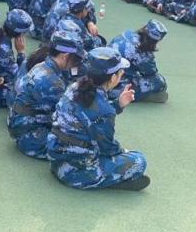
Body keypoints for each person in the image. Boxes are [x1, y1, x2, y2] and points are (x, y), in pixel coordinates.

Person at [47, 47, 149, 191]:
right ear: (113, 78)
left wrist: (118, 104)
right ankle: (110, 181)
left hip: (56, 160)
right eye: (120, 72)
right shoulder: (104, 110)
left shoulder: (75, 87)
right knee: (139, 160)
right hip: (75, 172)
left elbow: (88, 114)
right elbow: (108, 148)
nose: (122, 74)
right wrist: (124, 151)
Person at [8, 30, 85, 159]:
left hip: (21, 124)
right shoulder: (52, 82)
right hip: (31, 137)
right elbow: (69, 115)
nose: (76, 64)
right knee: (82, 146)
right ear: (65, 56)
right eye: (76, 60)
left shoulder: (43, 65)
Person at [109, 19, 169, 103]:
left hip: (103, 74)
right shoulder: (144, 54)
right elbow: (150, 73)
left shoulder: (128, 33)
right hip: (116, 83)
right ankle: (120, 95)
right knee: (159, 82)